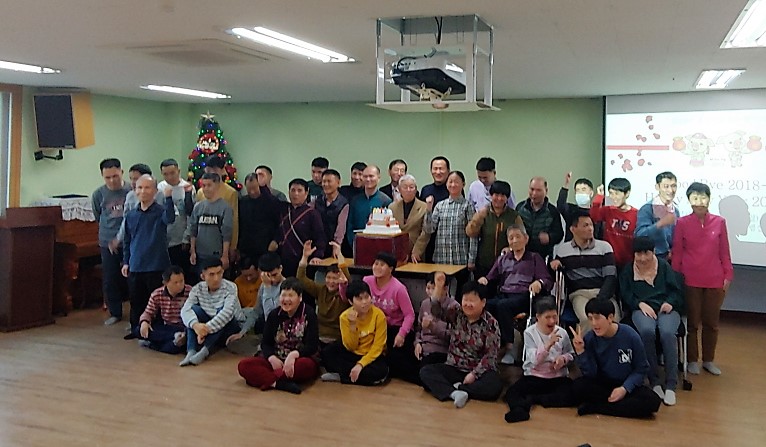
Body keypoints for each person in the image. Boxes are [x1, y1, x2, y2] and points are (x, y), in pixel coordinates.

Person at [672, 182, 733, 376]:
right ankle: (692, 360)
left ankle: (708, 360)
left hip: (715, 280)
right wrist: (676, 278)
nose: (699, 201)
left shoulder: (719, 222)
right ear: (689, 200)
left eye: (703, 197)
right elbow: (677, 253)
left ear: (709, 199)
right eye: (695, 198)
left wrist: (728, 275)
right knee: (692, 324)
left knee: (711, 324)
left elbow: (724, 252)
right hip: (690, 280)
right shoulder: (682, 223)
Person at [571, 298, 662, 419]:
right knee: (578, 386)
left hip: (626, 384)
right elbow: (591, 373)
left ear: (610, 318)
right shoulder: (590, 338)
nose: (593, 323)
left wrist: (625, 388)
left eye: (597, 318)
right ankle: (615, 407)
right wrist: (581, 351)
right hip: (603, 384)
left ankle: (598, 407)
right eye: (590, 318)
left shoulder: (630, 335)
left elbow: (641, 369)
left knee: (652, 401)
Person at [620, 236, 684, 405]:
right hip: (642, 308)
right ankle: (654, 381)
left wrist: (670, 302)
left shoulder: (663, 267)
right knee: (647, 332)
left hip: (666, 308)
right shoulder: (628, 270)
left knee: (667, 333)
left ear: (654, 252)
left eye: (646, 253)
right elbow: (625, 294)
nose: (642, 258)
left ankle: (671, 384)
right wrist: (639, 304)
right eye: (638, 254)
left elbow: (676, 291)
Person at [419, 281, 504, 408]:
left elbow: (490, 356)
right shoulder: (456, 313)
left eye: (472, 301)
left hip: (478, 371)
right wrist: (438, 288)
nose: (467, 304)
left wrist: (474, 374)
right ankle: (454, 393)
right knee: (426, 372)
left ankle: (459, 388)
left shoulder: (491, 323)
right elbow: (437, 312)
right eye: (465, 300)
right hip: (454, 366)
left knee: (494, 386)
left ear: (483, 302)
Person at [478, 224, 553, 364]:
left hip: (524, 296)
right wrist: (484, 280)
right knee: (485, 305)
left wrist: (539, 282)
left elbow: (547, 279)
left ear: (526, 238)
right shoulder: (503, 258)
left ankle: (510, 347)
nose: (514, 240)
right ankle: (489, 344)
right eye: (511, 238)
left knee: (503, 306)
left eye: (518, 236)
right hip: (504, 294)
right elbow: (490, 277)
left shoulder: (534, 258)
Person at [345, 252, 419, 383]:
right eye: (376, 263)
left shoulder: (399, 288)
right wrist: (342, 285)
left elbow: (410, 315)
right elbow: (351, 299)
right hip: (373, 325)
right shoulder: (367, 281)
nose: (377, 267)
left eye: (382, 265)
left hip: (394, 327)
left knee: (395, 357)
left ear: (391, 269)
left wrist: (401, 334)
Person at [237, 278, 320, 394]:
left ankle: (264, 379)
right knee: (244, 365)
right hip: (277, 360)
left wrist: (294, 355)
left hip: (298, 360)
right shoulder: (274, 314)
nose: (286, 299)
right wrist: (271, 358)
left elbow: (312, 346)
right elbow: (265, 343)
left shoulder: (309, 314)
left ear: (300, 297)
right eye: (283, 295)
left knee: (305, 366)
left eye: (290, 295)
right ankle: (278, 383)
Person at [504, 297, 575, 423]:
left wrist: (563, 359)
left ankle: (535, 399)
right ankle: (520, 410)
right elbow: (535, 360)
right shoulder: (529, 333)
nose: (552, 321)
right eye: (547, 317)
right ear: (538, 317)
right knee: (512, 393)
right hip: (535, 376)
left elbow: (570, 354)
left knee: (574, 393)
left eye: (554, 317)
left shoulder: (562, 333)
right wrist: (548, 345)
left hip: (557, 378)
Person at [121, 175, 175, 337]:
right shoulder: (131, 215)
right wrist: (126, 262)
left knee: (156, 302)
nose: (143, 191)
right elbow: (127, 240)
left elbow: (170, 218)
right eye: (139, 187)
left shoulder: (160, 212)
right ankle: (136, 329)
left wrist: (169, 198)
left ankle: (154, 332)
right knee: (136, 300)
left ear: (155, 191)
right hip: (136, 265)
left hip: (156, 265)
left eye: (147, 187)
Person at [551, 212, 620, 332]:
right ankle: (586, 344)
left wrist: (600, 298)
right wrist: (554, 264)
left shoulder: (604, 247)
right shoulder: (563, 250)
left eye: (591, 225)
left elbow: (610, 277)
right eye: (585, 225)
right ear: (573, 229)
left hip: (602, 292)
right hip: (579, 294)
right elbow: (555, 274)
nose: (590, 228)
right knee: (587, 319)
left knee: (612, 319)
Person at [321, 280, 389, 386]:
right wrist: (353, 325)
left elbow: (378, 347)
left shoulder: (379, 315)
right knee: (327, 353)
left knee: (380, 371)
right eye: (359, 299)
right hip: (352, 353)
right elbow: (350, 346)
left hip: (370, 355)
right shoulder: (344, 317)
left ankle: (343, 376)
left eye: (367, 297)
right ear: (350, 301)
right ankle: (351, 375)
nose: (364, 302)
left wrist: (361, 364)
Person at [179, 258, 241, 366]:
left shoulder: (231, 287)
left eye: (219, 273)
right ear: (203, 276)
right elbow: (185, 310)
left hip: (230, 326)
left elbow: (227, 313)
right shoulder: (197, 289)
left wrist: (205, 329)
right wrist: (196, 326)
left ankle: (204, 351)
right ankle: (191, 351)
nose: (216, 278)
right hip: (208, 324)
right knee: (193, 311)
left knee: (222, 314)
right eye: (211, 274)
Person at [92, 158, 131, 325]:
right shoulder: (98, 194)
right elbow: (98, 216)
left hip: (130, 242)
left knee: (133, 278)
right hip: (107, 243)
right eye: (107, 177)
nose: (112, 180)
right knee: (110, 278)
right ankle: (115, 312)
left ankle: (137, 315)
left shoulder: (131, 190)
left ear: (122, 172)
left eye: (115, 176)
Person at [466, 180, 523, 278]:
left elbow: (523, 238)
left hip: (507, 265)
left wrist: (510, 248)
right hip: (484, 265)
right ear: (491, 195)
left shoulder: (514, 216)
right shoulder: (483, 213)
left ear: (507, 198)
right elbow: (470, 233)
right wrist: (479, 218)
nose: (499, 198)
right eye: (496, 195)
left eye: (503, 195)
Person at [297, 241, 351, 344]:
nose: (331, 281)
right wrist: (305, 257)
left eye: (335, 278)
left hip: (338, 339)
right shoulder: (320, 289)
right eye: (328, 277)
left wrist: (339, 254)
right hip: (319, 336)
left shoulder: (345, 293)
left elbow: (346, 278)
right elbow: (301, 278)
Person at [424, 170, 477, 268]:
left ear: (463, 184)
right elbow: (429, 229)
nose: (453, 185)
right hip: (441, 259)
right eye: (450, 182)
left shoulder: (467, 206)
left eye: (456, 182)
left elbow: (473, 234)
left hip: (461, 259)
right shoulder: (440, 205)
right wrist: (429, 209)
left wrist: (472, 259)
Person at [274, 178, 326, 277]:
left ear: (306, 193)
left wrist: (318, 255)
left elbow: (320, 237)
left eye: (299, 190)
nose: (296, 194)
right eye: (293, 190)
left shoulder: (312, 213)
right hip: (283, 261)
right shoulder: (283, 209)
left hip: (304, 260)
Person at [134, 265, 191, 354]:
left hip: (183, 327)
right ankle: (172, 338)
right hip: (167, 327)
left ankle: (152, 344)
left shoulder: (190, 292)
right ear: (165, 283)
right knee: (139, 330)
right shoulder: (157, 294)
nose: (180, 285)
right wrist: (144, 322)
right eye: (175, 282)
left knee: (176, 346)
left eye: (181, 281)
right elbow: (148, 312)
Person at [157, 159, 195, 282]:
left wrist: (186, 237)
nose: (169, 177)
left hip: (181, 239)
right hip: (165, 240)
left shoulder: (187, 187)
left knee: (183, 275)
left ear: (178, 171)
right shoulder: (159, 188)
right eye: (165, 174)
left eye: (172, 173)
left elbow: (191, 216)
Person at [189, 173, 234, 275]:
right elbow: (193, 230)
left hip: (217, 256)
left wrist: (225, 255)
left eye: (209, 185)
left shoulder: (225, 208)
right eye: (203, 185)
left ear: (217, 186)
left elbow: (227, 234)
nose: (205, 189)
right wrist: (193, 251)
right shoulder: (198, 207)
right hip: (200, 255)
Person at [195, 156, 240, 258]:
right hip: (202, 243)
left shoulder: (230, 192)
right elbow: (195, 220)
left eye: (215, 170)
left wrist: (233, 246)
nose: (212, 173)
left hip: (221, 244)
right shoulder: (201, 192)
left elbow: (234, 221)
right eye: (209, 170)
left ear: (222, 170)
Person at [414, 271, 460, 369]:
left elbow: (453, 336)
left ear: (446, 288)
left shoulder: (454, 307)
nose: (430, 292)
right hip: (423, 347)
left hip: (441, 349)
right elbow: (419, 328)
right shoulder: (425, 303)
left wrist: (433, 326)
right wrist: (418, 343)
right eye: (428, 288)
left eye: (434, 288)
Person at [590, 177, 638, 268]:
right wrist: (599, 196)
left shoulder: (636, 214)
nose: (614, 197)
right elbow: (593, 216)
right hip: (608, 259)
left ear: (627, 194)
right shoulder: (608, 210)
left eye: (617, 193)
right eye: (611, 193)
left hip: (628, 262)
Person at [515, 176, 564, 261]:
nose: (534, 193)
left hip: (543, 257)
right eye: (532, 189)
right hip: (522, 255)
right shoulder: (520, 208)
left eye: (538, 190)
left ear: (546, 191)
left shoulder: (552, 211)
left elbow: (559, 234)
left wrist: (549, 237)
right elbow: (513, 228)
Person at [635, 171, 679, 260]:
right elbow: (639, 235)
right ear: (657, 187)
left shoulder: (675, 210)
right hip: (652, 258)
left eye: (673, 186)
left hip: (671, 258)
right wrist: (660, 224)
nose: (671, 190)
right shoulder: (647, 208)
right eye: (666, 186)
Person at [346, 165, 392, 248]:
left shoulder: (386, 201)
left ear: (378, 178)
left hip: (379, 246)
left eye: (371, 176)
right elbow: (350, 224)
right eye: (365, 176)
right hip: (357, 244)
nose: (368, 179)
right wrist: (353, 242)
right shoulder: (355, 200)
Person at [238, 173, 280, 264]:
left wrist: (276, 240)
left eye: (254, 188)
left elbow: (280, 224)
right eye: (249, 189)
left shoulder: (272, 202)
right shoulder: (242, 202)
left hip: (266, 246)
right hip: (247, 248)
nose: (252, 192)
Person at [388, 174, 430, 263]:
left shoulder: (424, 207)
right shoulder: (392, 207)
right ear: (399, 190)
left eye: (411, 187)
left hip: (416, 252)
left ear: (415, 189)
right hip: (396, 252)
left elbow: (425, 232)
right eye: (405, 187)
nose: (408, 190)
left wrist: (417, 251)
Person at [420, 156, 452, 262]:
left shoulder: (453, 190)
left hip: (447, 241)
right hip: (428, 240)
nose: (438, 172)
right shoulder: (425, 190)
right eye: (435, 169)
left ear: (448, 171)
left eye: (441, 169)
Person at [557, 172, 600, 241]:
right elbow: (560, 205)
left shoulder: (596, 212)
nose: (580, 193)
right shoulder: (570, 210)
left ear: (591, 193)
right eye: (578, 190)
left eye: (583, 189)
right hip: (571, 246)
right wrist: (566, 185)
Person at [314, 168, 349, 254]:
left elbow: (341, 228)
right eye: (324, 181)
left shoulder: (343, 204)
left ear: (338, 183)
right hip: (318, 244)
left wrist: (336, 244)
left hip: (334, 246)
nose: (325, 184)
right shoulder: (317, 201)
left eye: (329, 181)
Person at [253, 252, 286, 333]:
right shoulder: (263, 285)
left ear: (280, 268)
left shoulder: (287, 287)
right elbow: (257, 311)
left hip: (280, 329)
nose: (272, 279)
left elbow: (270, 317)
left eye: (274, 275)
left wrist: (267, 287)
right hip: (265, 328)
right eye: (267, 276)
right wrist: (243, 332)